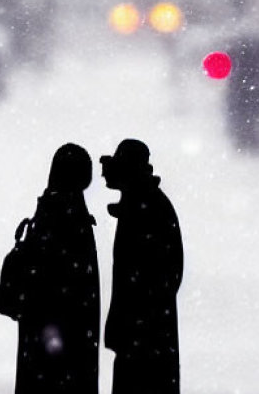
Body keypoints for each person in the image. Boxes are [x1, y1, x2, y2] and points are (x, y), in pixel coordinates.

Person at [15, 143, 100, 394]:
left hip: (48, 337)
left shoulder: (50, 210)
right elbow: (62, 283)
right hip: (62, 338)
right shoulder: (68, 214)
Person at [101, 139, 183, 394]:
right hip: (143, 335)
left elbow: (160, 276)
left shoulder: (146, 209)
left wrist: (136, 322)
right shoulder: (144, 205)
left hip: (143, 336)